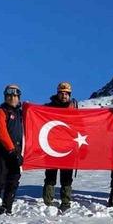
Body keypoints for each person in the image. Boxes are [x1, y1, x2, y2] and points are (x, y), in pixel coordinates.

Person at [0, 84, 24, 215]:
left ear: (18, 97)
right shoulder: (0, 112)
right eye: (9, 95)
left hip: (16, 151)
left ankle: (7, 206)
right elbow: (1, 133)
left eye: (14, 96)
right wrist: (11, 150)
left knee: (14, 179)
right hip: (3, 152)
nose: (12, 98)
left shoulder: (20, 113)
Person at [43, 82, 79, 211]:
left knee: (66, 177)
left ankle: (65, 201)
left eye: (66, 93)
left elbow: (80, 127)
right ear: (57, 93)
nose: (63, 96)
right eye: (61, 93)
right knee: (50, 175)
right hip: (51, 147)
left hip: (68, 148)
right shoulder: (48, 107)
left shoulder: (74, 109)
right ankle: (47, 201)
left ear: (69, 95)